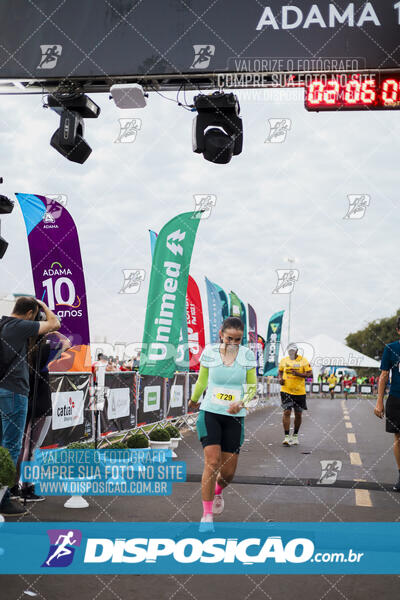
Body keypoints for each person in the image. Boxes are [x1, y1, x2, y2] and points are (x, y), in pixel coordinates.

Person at [188, 317, 257, 531]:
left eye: (238, 339)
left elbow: (253, 386)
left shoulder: (246, 355)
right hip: (210, 412)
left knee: (227, 473)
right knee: (212, 462)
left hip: (235, 416)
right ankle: (206, 516)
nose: (233, 343)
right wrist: (194, 399)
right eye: (229, 339)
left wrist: (242, 402)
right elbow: (202, 380)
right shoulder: (209, 352)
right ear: (221, 334)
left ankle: (218, 491)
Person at [0, 297, 60, 516]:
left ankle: (5, 494)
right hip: (14, 391)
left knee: (4, 445)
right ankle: (3, 498)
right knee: (12, 446)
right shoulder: (19, 326)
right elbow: (55, 324)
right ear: (29, 313)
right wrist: (42, 305)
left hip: (4, 390)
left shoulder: (3, 325)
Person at [11, 332, 71, 502]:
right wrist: (53, 330)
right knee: (32, 449)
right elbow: (67, 343)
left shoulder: (19, 351)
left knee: (21, 447)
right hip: (41, 404)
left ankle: (14, 486)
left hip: (23, 401)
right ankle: (27, 488)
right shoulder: (44, 350)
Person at [374, 318, 400, 491]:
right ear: (398, 330)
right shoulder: (391, 348)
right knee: (398, 438)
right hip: (397, 399)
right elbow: (383, 376)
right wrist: (379, 402)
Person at [278, 343, 313, 446]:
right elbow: (280, 371)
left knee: (298, 414)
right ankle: (287, 437)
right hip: (286, 390)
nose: (291, 353)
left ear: (297, 351)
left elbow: (310, 374)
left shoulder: (303, 361)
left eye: (293, 351)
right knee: (287, 412)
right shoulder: (284, 360)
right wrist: (280, 379)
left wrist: (298, 374)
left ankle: (295, 436)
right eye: (289, 351)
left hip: (299, 392)